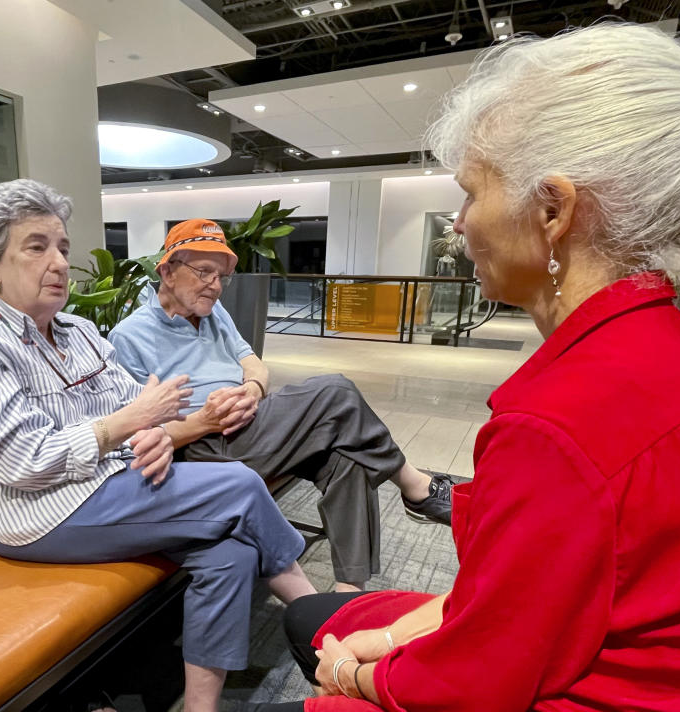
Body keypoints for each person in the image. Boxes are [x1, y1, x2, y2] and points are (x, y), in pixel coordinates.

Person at [240, 22, 680, 712]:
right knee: (318, 614)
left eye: (471, 193)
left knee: (319, 641)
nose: (459, 223)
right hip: (656, 676)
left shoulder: (559, 421)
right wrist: (397, 636)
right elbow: (521, 602)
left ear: (555, 210)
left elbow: (473, 683)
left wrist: (354, 677)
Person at [0, 179, 319, 712]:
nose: (60, 263)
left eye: (62, 247)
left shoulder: (79, 332)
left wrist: (154, 432)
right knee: (238, 484)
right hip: (32, 512)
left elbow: (142, 404)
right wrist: (124, 426)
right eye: (37, 247)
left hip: (105, 485)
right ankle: (328, 637)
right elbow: (21, 462)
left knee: (231, 552)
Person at [107, 219, 453, 592]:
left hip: (253, 426)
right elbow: (141, 436)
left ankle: (347, 593)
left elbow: (253, 363)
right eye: (204, 272)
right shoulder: (129, 337)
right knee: (334, 390)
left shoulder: (212, 311)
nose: (216, 285)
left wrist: (253, 389)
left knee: (346, 456)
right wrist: (206, 420)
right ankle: (415, 486)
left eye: (221, 276)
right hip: (205, 447)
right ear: (167, 271)